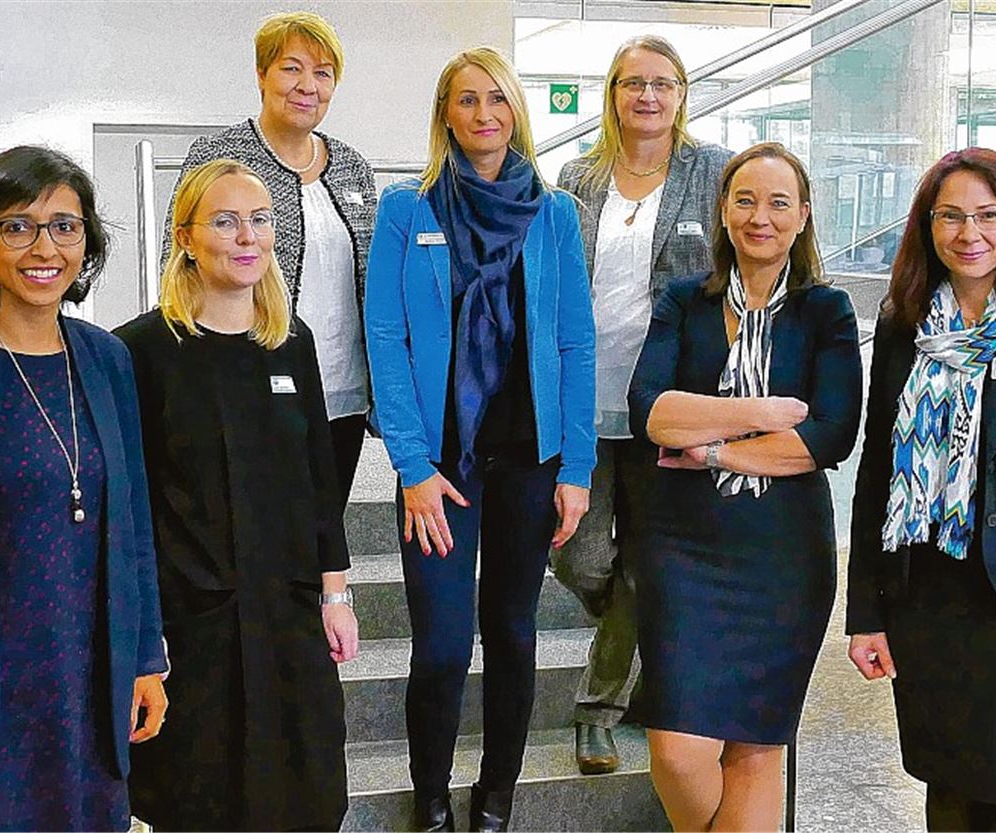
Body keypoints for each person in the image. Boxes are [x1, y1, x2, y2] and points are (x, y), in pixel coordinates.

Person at [365, 46, 596, 833]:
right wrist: (410, 465)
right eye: (466, 101)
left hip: (531, 459)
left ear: (517, 110)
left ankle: (495, 799)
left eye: (497, 99)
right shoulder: (408, 209)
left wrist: (578, 465)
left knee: (513, 633)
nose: (484, 114)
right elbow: (387, 338)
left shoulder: (555, 212)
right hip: (443, 467)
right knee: (438, 645)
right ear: (446, 115)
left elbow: (576, 342)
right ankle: (430, 799)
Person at [0, 146, 168, 831]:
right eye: (17, 226)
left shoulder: (108, 359)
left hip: (90, 686)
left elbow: (134, 523)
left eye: (65, 226)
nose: (45, 247)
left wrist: (147, 655)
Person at [627, 142, 862, 831]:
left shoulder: (828, 311)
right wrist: (759, 414)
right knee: (676, 749)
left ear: (804, 215)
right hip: (684, 551)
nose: (761, 217)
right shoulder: (682, 301)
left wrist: (710, 446)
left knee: (757, 749)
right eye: (746, 200)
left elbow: (830, 435)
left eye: (779, 202)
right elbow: (653, 413)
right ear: (723, 210)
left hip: (783, 559)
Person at [118, 158, 357, 831]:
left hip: (287, 609)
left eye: (260, 220)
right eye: (225, 221)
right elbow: (133, 504)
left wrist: (336, 594)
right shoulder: (140, 349)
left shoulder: (290, 342)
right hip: (191, 619)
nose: (247, 236)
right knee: (199, 794)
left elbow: (318, 481)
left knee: (306, 787)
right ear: (186, 235)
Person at [846, 147, 996, 832]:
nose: (968, 234)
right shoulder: (902, 325)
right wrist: (865, 611)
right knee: (945, 785)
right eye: (950, 217)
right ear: (926, 226)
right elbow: (878, 472)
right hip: (928, 594)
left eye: (987, 215)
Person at [553, 34, 732, 775]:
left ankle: (597, 708)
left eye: (663, 84)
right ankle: (649, 640)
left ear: (683, 94)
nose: (648, 97)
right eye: (633, 83)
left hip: (671, 402)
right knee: (579, 555)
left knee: (644, 562)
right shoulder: (576, 176)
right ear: (613, 93)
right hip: (583, 399)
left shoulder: (715, 171)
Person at [165, 11, 377, 502]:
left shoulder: (352, 166)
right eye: (291, 68)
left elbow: (370, 281)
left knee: (322, 530)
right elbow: (179, 264)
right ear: (261, 75)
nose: (308, 85)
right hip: (247, 384)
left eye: (323, 73)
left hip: (341, 389)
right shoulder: (219, 154)